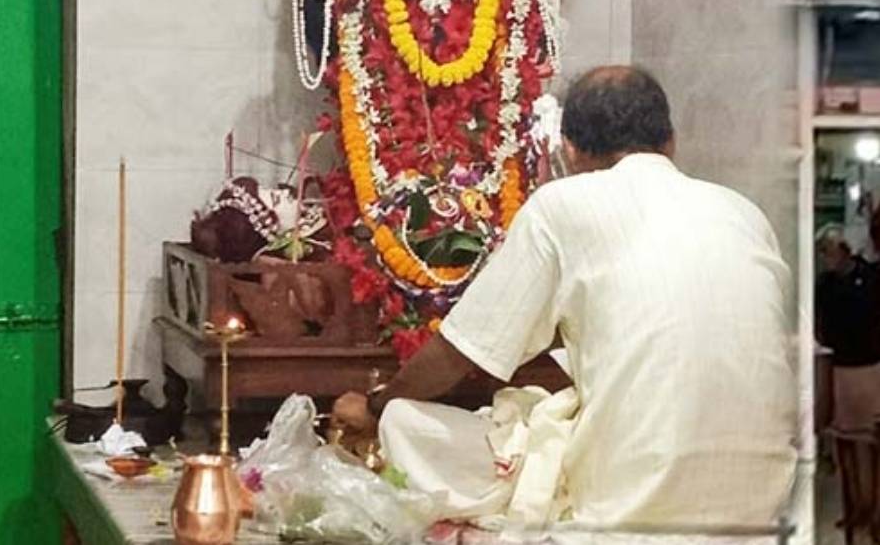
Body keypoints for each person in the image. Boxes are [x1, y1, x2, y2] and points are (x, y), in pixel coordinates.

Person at [332, 65, 798, 532]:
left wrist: (377, 406)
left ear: (570, 151)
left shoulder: (561, 205)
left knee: (407, 422)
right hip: (764, 504)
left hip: (625, 506)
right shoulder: (744, 213)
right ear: (671, 141)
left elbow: (460, 352)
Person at [815, 225, 880, 432]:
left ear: (844, 249)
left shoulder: (871, 278)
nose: (825, 257)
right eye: (821, 251)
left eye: (828, 250)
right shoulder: (824, 284)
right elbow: (820, 320)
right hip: (838, 362)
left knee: (867, 431)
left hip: (870, 363)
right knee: (842, 431)